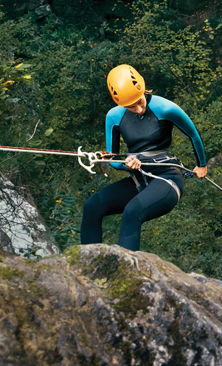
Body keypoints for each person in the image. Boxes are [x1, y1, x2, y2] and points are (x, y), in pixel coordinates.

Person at [80, 64, 208, 250]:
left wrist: (201, 165)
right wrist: (126, 164)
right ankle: (88, 265)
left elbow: (193, 135)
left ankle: (126, 274)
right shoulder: (114, 117)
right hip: (139, 180)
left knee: (133, 211)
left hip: (167, 178)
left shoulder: (165, 108)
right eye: (131, 107)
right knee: (93, 205)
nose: (139, 109)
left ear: (143, 88)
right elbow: (113, 158)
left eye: (140, 102)